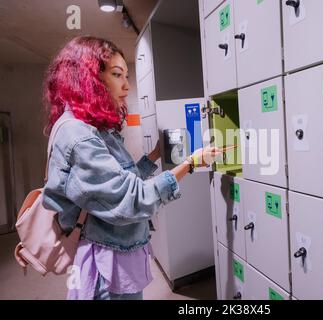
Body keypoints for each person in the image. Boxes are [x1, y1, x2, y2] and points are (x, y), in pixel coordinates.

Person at [42, 36, 221, 300]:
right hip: (105, 266)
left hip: (114, 253)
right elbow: (132, 201)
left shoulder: (91, 127)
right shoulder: (79, 136)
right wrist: (190, 163)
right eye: (117, 75)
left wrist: (156, 155)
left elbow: (122, 181)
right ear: (89, 79)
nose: (127, 85)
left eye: (126, 75)